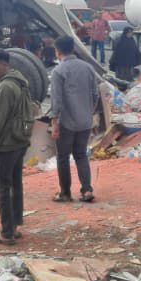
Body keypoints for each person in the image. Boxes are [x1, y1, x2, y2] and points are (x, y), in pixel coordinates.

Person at [0, 50, 34, 245]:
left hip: (7, 145)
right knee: (16, 184)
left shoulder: (5, 87)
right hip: (20, 141)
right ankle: (15, 225)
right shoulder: (20, 81)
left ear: (4, 64)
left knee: (3, 188)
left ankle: (7, 233)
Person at [49, 36, 99, 203]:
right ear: (73, 48)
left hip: (66, 122)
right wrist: (88, 112)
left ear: (58, 51)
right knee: (81, 154)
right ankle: (87, 190)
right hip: (85, 120)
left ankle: (65, 193)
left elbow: (56, 101)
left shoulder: (59, 71)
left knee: (63, 157)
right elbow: (95, 95)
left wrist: (54, 123)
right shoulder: (88, 67)